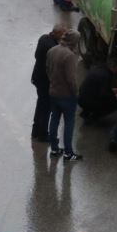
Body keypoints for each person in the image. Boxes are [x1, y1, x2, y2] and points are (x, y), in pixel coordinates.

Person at [46, 30, 83, 161]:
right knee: (69, 123)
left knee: (54, 120)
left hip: (53, 92)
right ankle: (68, 152)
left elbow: (48, 69)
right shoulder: (69, 56)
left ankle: (54, 149)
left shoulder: (52, 50)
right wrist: (76, 93)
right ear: (73, 41)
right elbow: (71, 79)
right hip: (67, 96)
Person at [31, 24, 67, 141]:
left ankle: (35, 130)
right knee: (46, 108)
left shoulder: (43, 38)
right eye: (62, 35)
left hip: (38, 77)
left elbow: (37, 55)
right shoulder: (53, 48)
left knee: (40, 104)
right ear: (56, 33)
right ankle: (42, 134)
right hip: (45, 81)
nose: (63, 37)